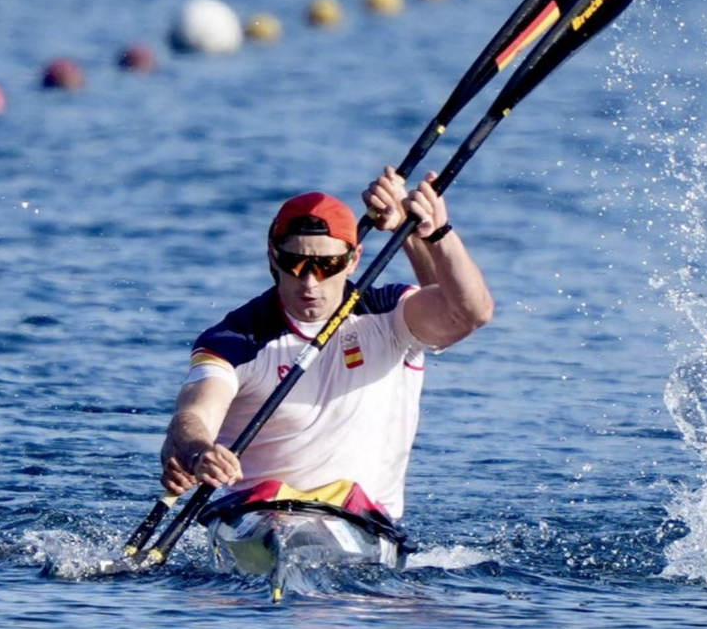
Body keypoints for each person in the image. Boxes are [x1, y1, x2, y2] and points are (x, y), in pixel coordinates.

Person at [157, 167, 494, 521]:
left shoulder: (391, 316)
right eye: (294, 263)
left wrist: (434, 234)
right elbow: (193, 415)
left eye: (327, 265)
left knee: (350, 499)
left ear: (354, 260)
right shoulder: (235, 341)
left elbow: (470, 313)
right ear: (272, 257)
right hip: (262, 517)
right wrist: (199, 452)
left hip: (362, 520)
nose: (309, 282)